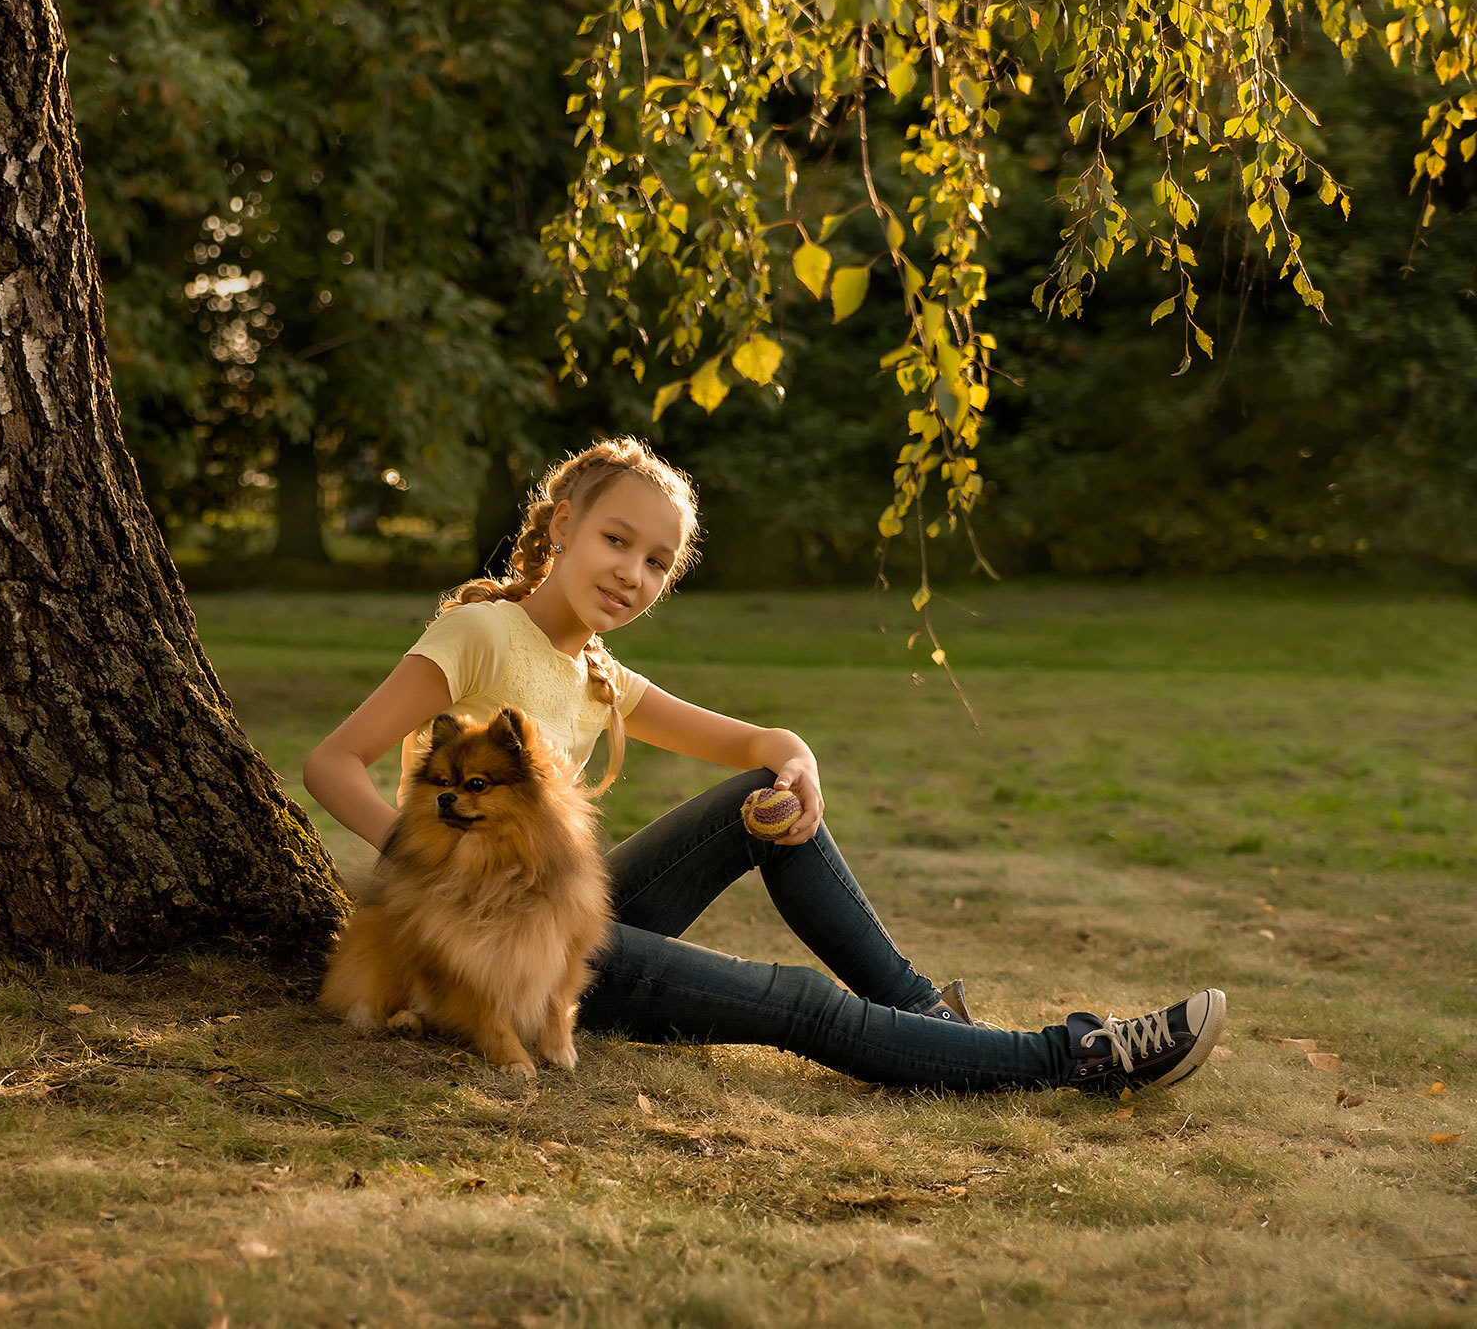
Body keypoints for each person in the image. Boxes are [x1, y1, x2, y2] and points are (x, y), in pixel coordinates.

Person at [301, 437, 1225, 1094]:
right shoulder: (477, 633)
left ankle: (931, 1021)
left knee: (758, 798)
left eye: (658, 561)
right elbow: (333, 761)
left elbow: (757, 748)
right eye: (616, 540)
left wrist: (797, 762)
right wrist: (433, 867)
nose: (632, 571)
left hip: (568, 921)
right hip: (500, 951)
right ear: (565, 524)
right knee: (797, 1002)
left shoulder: (599, 675)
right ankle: (1076, 1057)